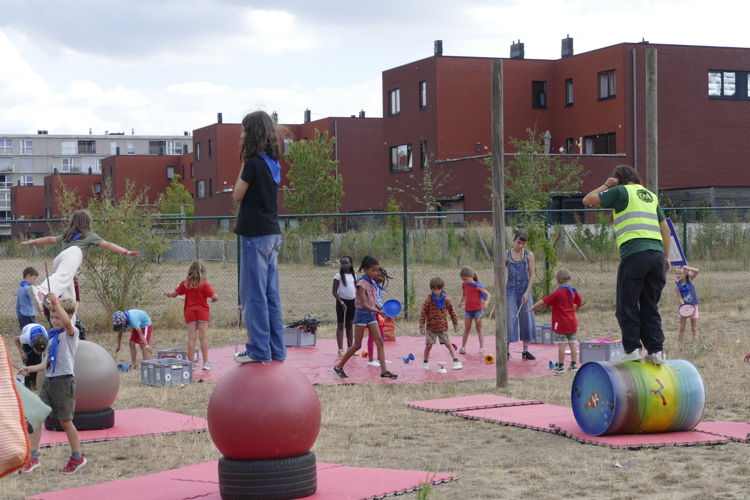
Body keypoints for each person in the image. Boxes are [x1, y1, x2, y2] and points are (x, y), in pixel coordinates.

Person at [582, 164, 671, 365]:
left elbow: (588, 200)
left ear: (618, 179)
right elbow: (664, 227)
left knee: (627, 305)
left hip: (635, 254)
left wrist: (607, 184)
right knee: (650, 306)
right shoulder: (649, 195)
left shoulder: (621, 191)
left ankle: (633, 349)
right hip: (656, 256)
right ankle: (656, 351)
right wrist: (666, 256)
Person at [232, 111, 285, 364]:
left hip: (255, 235)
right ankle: (276, 349)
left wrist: (244, 159)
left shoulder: (252, 163)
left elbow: (237, 194)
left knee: (253, 296)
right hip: (272, 234)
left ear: (251, 134)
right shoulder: (273, 162)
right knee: (271, 295)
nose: (240, 135)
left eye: (244, 131)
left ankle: (258, 349)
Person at [18, 294, 86, 474]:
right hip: (49, 380)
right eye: (52, 317)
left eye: (58, 317)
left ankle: (77, 458)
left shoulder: (72, 333)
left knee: (65, 422)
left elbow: (67, 321)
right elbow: (47, 363)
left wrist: (56, 304)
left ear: (68, 316)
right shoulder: (51, 337)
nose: (55, 321)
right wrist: (30, 369)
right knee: (37, 416)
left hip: (64, 381)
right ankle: (33, 457)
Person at [20, 209, 140, 307]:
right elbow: (108, 245)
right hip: (72, 255)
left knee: (69, 297)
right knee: (62, 276)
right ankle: (41, 290)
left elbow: (50, 239)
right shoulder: (89, 236)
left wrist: (32, 241)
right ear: (87, 223)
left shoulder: (67, 236)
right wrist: (126, 252)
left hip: (60, 260)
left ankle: (64, 315)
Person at [333, 256, 397, 379]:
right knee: (357, 345)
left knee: (379, 342)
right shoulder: (361, 283)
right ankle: (338, 367)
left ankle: (384, 371)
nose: (376, 273)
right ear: (366, 269)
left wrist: (378, 307)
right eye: (373, 270)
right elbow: (363, 304)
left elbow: (371, 300)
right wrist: (376, 310)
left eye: (377, 270)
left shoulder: (371, 282)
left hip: (371, 314)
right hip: (362, 315)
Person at [164, 260, 219, 370]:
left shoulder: (185, 284)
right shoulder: (205, 284)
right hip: (202, 312)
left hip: (190, 312)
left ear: (190, 271)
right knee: (203, 338)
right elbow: (215, 296)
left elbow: (175, 294)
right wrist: (212, 300)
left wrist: (168, 294)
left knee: (191, 338)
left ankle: (191, 363)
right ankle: (206, 363)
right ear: (203, 271)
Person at [528, 268, 583, 371]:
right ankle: (574, 365)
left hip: (561, 323)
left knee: (562, 345)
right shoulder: (573, 291)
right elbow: (580, 302)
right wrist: (577, 307)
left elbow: (543, 302)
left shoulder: (557, 293)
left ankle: (560, 366)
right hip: (572, 323)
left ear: (557, 280)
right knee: (572, 343)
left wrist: (533, 308)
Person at [505, 231, 537, 360]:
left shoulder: (529, 255)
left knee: (527, 318)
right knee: (510, 318)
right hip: (510, 289)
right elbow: (500, 272)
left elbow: (532, 274)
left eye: (523, 243)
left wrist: (527, 292)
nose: (520, 245)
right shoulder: (506, 254)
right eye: (519, 242)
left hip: (524, 288)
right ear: (514, 240)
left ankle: (525, 351)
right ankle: (506, 351)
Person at [419, 277, 462, 370]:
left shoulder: (446, 299)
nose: (436, 291)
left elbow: (452, 311)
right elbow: (423, 313)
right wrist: (422, 326)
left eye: (438, 289)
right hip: (431, 328)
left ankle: (456, 361)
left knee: (448, 344)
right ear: (431, 289)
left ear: (442, 288)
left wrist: (456, 324)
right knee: (428, 346)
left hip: (443, 328)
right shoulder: (428, 300)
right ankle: (425, 363)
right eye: (434, 289)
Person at [457, 267, 491, 354]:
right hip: (468, 311)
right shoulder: (464, 285)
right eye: (462, 279)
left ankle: (482, 348)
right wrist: (460, 302)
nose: (464, 281)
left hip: (478, 311)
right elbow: (464, 295)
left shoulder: (477, 286)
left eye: (465, 279)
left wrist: (486, 302)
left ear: (471, 276)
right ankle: (463, 347)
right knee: (466, 329)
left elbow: (488, 294)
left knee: (479, 329)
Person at [367, 267, 392, 366]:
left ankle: (380, 357)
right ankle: (370, 360)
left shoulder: (379, 286)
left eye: (383, 276)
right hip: (372, 313)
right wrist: (377, 308)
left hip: (379, 313)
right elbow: (371, 301)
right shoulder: (371, 286)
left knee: (381, 336)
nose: (381, 278)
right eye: (379, 276)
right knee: (372, 336)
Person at [332, 256, 356, 357]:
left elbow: (356, 290)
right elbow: (334, 291)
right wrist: (341, 302)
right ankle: (340, 349)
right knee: (341, 325)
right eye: (342, 263)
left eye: (346, 263)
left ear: (350, 264)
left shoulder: (354, 275)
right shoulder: (338, 276)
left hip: (352, 302)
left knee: (349, 325)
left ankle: (350, 348)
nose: (344, 265)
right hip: (341, 302)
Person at [13, 322, 48, 390]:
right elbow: (15, 339)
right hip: (28, 332)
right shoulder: (26, 338)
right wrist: (22, 352)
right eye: (37, 352)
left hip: (39, 338)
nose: (39, 354)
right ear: (33, 346)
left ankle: (35, 384)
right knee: (29, 360)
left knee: (38, 362)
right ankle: (28, 385)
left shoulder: (47, 339)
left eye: (40, 352)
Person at [674, 265, 700, 341]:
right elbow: (680, 298)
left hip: (693, 307)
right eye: (676, 273)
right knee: (682, 328)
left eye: (680, 273)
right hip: (684, 309)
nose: (677, 275)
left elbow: (697, 270)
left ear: (685, 274)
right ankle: (680, 347)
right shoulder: (677, 286)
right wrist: (684, 307)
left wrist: (687, 267)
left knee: (694, 328)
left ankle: (695, 347)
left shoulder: (690, 279)